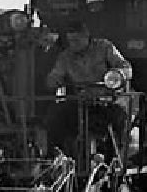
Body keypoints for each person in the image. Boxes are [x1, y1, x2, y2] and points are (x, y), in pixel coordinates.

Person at [45, 20, 132, 158]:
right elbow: (55, 75)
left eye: (77, 40)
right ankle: (56, 157)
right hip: (80, 102)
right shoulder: (65, 56)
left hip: (107, 101)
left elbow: (126, 67)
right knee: (54, 115)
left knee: (119, 116)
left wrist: (118, 75)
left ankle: (115, 159)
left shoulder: (104, 47)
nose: (74, 44)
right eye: (71, 40)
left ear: (86, 36)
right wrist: (53, 81)